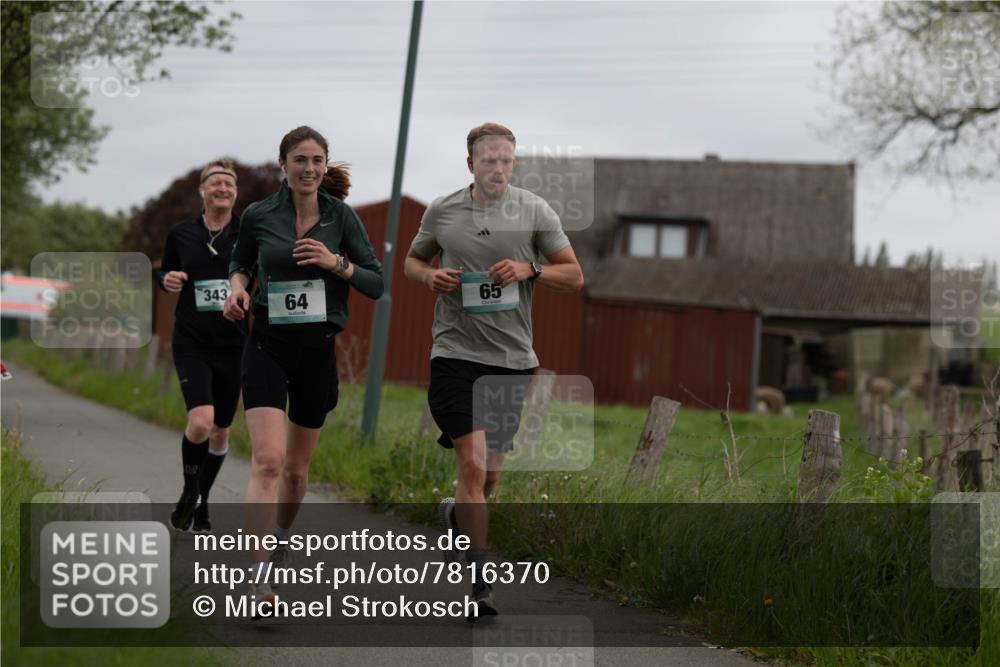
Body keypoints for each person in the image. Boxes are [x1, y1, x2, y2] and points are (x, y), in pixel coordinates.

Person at [404, 122, 584, 620]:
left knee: (489, 478)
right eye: (489, 160)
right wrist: (431, 276)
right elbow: (411, 264)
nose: (498, 168)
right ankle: (481, 582)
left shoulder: (535, 211)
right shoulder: (443, 210)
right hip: (455, 355)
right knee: (472, 464)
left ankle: (453, 514)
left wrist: (533, 270)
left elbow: (575, 275)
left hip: (511, 360)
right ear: (471, 164)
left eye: (506, 160)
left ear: (514, 163)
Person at [224, 126, 383, 609]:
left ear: (325, 165)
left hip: (316, 349)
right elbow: (241, 261)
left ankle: (283, 533)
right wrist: (237, 288)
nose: (309, 168)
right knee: (268, 460)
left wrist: (337, 264)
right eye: (300, 160)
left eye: (317, 160)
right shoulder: (259, 214)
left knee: (295, 470)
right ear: (284, 165)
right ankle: (259, 575)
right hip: (267, 343)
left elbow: (376, 283)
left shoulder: (342, 219)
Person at [158, 159, 245, 534]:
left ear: (235, 192)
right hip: (192, 339)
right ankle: (190, 490)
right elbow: (164, 270)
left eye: (229, 183)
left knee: (221, 431)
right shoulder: (181, 233)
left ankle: (203, 501)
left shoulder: (247, 234)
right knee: (201, 421)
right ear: (202, 190)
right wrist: (168, 278)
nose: (222, 188)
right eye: (215, 183)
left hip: (233, 343)